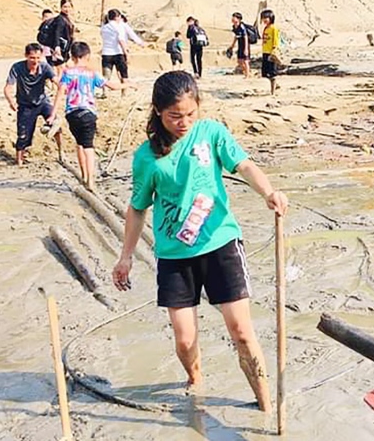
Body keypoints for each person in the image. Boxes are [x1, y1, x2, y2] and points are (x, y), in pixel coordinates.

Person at [111, 71, 287, 411]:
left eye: (190, 114)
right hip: (175, 255)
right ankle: (195, 379)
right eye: (175, 116)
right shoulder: (146, 157)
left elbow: (244, 165)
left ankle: (266, 404)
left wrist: (268, 192)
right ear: (158, 112)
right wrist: (126, 256)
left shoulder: (211, 134)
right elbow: (137, 209)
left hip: (221, 243)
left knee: (241, 332)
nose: (184, 122)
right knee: (184, 339)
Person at [49, 42, 131, 191]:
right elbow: (111, 86)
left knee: (79, 143)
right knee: (88, 146)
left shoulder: (68, 72)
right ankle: (91, 181)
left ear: (72, 57)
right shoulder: (92, 72)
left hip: (72, 113)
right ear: (87, 56)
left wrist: (53, 114)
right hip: (88, 112)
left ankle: (84, 176)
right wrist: (128, 85)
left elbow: (60, 92)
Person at [3, 43, 62, 166]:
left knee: (56, 124)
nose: (35, 61)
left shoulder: (45, 67)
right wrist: (11, 101)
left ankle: (61, 152)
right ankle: (19, 160)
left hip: (42, 101)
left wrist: (61, 88)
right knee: (23, 134)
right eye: (32, 58)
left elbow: (58, 83)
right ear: (26, 56)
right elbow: (8, 88)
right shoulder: (17, 67)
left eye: (38, 58)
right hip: (25, 105)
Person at [100, 9, 143, 97]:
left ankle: (104, 92)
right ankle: (124, 93)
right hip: (118, 53)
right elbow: (121, 40)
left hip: (106, 53)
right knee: (123, 74)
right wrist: (127, 52)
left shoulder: (104, 27)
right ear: (118, 17)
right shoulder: (118, 27)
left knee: (106, 75)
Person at [50, 0, 75, 80]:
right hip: (59, 49)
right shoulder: (60, 19)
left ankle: (61, 88)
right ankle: (59, 89)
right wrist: (57, 47)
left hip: (65, 49)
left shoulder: (67, 18)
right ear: (61, 7)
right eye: (65, 6)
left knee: (65, 69)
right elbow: (57, 33)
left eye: (69, 7)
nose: (67, 9)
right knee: (61, 70)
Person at [260, 9, 280, 95]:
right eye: (263, 18)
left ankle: (273, 92)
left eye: (266, 18)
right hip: (265, 51)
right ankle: (276, 85)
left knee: (272, 72)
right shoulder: (266, 28)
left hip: (271, 52)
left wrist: (274, 50)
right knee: (264, 73)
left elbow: (275, 40)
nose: (264, 20)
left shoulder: (274, 28)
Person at [228, 12, 251, 78]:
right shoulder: (234, 27)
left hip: (245, 44)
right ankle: (247, 72)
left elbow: (245, 37)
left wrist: (246, 48)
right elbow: (236, 37)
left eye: (234, 17)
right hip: (240, 45)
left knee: (246, 60)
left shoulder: (242, 26)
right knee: (239, 61)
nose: (232, 18)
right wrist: (232, 46)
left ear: (238, 19)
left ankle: (247, 75)